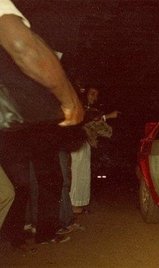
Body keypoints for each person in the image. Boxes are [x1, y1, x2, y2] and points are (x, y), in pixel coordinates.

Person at [0, 0, 84, 247]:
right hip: (36, 126)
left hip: (24, 127)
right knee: (44, 179)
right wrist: (70, 99)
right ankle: (42, 231)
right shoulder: (42, 48)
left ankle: (17, 235)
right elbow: (24, 48)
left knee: (14, 188)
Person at [70, 87, 118, 214]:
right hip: (76, 144)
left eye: (96, 95)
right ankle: (73, 207)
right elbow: (89, 118)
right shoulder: (80, 106)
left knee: (83, 175)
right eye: (92, 94)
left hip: (86, 145)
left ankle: (77, 206)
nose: (94, 97)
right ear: (85, 94)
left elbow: (103, 129)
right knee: (76, 175)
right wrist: (107, 116)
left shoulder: (93, 110)